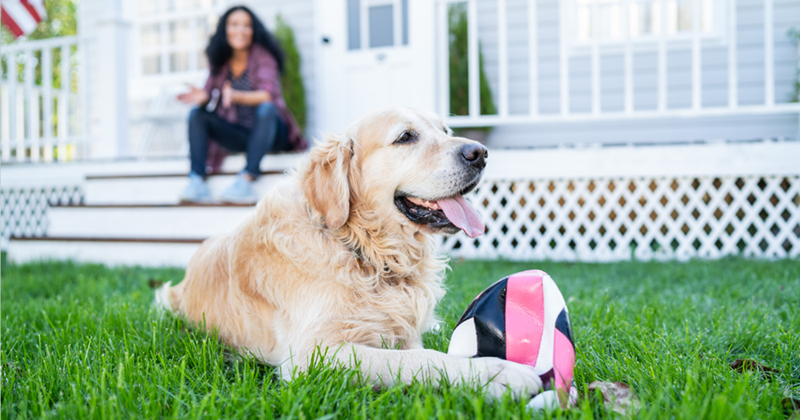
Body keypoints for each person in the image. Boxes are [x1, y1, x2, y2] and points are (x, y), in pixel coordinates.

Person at [177, 6, 307, 203]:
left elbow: (268, 95)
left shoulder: (263, 56)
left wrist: (237, 96)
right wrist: (202, 96)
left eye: (247, 26)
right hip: (243, 135)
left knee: (267, 109)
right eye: (235, 25)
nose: (241, 30)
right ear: (225, 29)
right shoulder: (220, 60)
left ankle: (247, 179)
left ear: (253, 31)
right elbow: (209, 91)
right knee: (197, 114)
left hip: (273, 132)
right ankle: (196, 180)